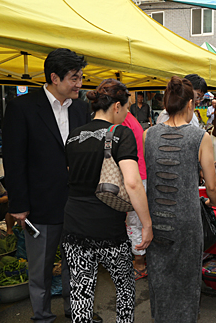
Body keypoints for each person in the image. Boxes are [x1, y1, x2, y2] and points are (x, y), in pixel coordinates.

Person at [2, 48, 102, 323]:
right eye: (74, 78)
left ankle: (76, 312)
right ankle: (43, 317)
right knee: (41, 269)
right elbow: (14, 160)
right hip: (39, 206)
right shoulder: (22, 108)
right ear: (54, 78)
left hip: (77, 205)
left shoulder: (82, 109)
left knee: (76, 264)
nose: (80, 84)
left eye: (81, 77)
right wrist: (18, 205)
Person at [63, 79, 152, 322]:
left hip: (73, 225)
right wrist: (146, 224)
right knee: (124, 286)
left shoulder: (73, 136)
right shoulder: (121, 134)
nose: (126, 114)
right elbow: (132, 182)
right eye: (126, 108)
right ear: (116, 106)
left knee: (81, 290)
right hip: (107, 227)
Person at [144, 76, 216, 323]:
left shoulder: (148, 135)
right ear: (190, 104)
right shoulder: (200, 137)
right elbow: (211, 185)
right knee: (186, 280)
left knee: (159, 277)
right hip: (186, 221)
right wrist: (214, 201)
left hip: (156, 220)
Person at [123, 96, 149, 280]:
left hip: (135, 177)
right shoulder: (129, 118)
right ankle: (138, 261)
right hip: (138, 176)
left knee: (134, 222)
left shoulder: (125, 122)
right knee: (134, 222)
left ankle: (140, 264)